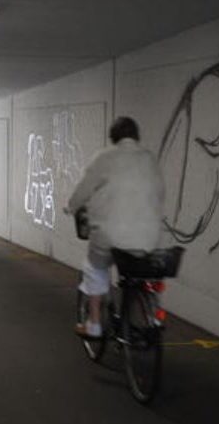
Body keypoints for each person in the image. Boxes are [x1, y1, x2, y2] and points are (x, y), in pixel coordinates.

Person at [66, 116, 165, 337]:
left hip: (110, 236)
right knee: (134, 273)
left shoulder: (105, 158)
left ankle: (93, 325)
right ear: (136, 136)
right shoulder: (150, 159)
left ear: (114, 137)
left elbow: (84, 190)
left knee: (94, 268)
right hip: (148, 237)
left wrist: (71, 207)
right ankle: (141, 317)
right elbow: (160, 193)